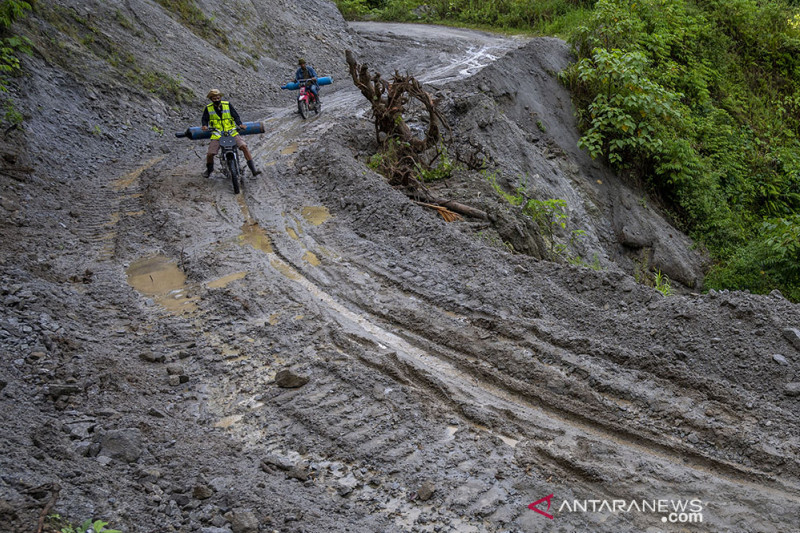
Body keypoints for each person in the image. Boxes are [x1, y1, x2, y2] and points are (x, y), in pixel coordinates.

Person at [201, 89, 261, 178]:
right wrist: (205, 125)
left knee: (244, 147)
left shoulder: (227, 105)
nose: (217, 99)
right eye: (214, 98)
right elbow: (204, 119)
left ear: (220, 97)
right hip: (217, 134)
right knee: (210, 154)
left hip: (231, 131)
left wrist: (240, 124)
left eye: (218, 97)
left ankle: (253, 170)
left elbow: (235, 116)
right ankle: (209, 170)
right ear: (211, 99)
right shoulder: (208, 108)